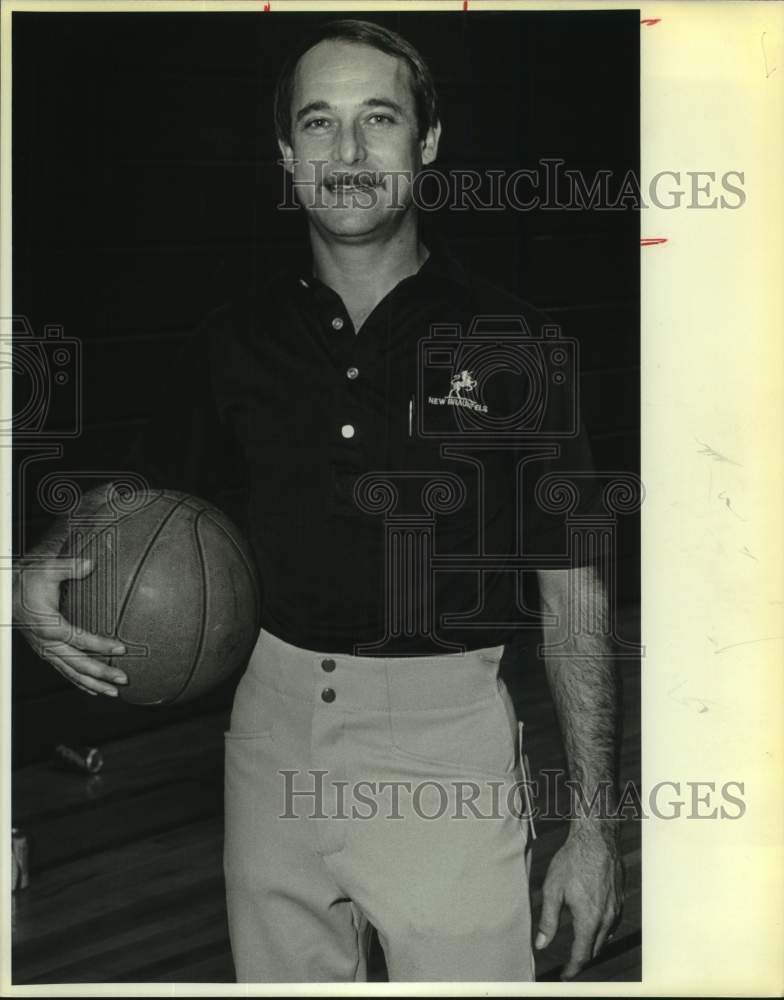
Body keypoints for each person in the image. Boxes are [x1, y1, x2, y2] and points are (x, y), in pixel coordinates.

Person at [12, 18, 623, 983]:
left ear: (427, 142)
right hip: (270, 736)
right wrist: (35, 572)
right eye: (320, 123)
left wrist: (595, 827)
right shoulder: (230, 339)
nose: (348, 152)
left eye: (377, 119)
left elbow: (575, 596)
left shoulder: (517, 340)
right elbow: (131, 502)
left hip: (445, 751)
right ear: (288, 156)